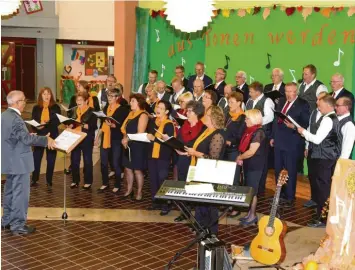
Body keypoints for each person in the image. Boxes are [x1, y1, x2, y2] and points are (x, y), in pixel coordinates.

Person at [2, 90, 56, 235]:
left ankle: (6, 220)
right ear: (16, 102)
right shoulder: (16, 119)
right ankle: (18, 224)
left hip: (9, 160)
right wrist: (46, 139)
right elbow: (25, 140)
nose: (25, 103)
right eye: (23, 100)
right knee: (20, 193)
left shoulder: (4, 116)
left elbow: (14, 136)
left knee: (10, 192)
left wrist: (28, 135)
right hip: (19, 162)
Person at [179, 106, 226, 235]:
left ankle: (211, 231)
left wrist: (196, 153)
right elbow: (197, 146)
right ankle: (200, 227)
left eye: (207, 114)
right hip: (200, 170)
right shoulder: (206, 131)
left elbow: (213, 159)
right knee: (200, 202)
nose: (204, 116)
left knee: (209, 205)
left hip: (210, 173)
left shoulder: (217, 135)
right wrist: (189, 152)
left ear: (213, 118)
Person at [298, 95, 341, 228]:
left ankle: (323, 219)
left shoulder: (328, 120)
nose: (318, 107)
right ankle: (322, 216)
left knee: (323, 189)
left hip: (324, 159)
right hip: (326, 158)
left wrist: (303, 131)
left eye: (320, 105)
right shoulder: (332, 118)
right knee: (323, 188)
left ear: (328, 106)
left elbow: (317, 140)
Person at [271, 82, 310, 207]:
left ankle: (289, 196)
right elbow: (275, 120)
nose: (288, 94)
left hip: (292, 142)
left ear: (296, 91)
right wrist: (272, 136)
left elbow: (305, 123)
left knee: (290, 170)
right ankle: (280, 194)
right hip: (279, 140)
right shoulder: (281, 101)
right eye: (286, 91)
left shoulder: (303, 104)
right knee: (277, 169)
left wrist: (293, 126)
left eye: (291, 91)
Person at [174, 101, 205, 222]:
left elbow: (202, 146)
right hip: (182, 159)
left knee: (194, 185)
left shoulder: (203, 128)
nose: (186, 112)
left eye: (189, 111)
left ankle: (197, 214)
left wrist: (189, 152)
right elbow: (178, 140)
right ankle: (185, 212)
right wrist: (177, 148)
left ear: (196, 113)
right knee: (183, 184)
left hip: (195, 160)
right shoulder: (184, 126)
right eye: (187, 110)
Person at [236, 109, 267, 227]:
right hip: (249, 163)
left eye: (247, 118)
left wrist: (240, 157)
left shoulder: (259, 132)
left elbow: (251, 151)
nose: (245, 120)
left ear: (253, 119)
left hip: (256, 165)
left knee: (253, 191)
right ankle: (250, 213)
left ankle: (253, 216)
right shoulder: (250, 130)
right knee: (250, 189)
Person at [95, 88, 129, 193]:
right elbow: (102, 124)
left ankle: (118, 184)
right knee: (104, 163)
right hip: (105, 137)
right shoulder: (106, 108)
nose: (109, 98)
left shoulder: (122, 109)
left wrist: (113, 125)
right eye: (108, 96)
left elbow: (122, 126)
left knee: (115, 163)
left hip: (116, 139)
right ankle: (105, 183)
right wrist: (97, 137)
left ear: (117, 97)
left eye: (112, 96)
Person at [245, 82, 275, 194]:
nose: (249, 93)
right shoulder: (249, 101)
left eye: (251, 92)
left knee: (261, 162)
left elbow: (270, 117)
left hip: (262, 135)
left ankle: (260, 188)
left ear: (258, 92)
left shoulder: (267, 101)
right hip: (250, 134)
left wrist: (256, 121)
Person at [146, 100, 175, 215]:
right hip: (151, 154)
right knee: (153, 179)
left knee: (162, 180)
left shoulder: (169, 124)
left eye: (161, 108)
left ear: (167, 111)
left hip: (163, 156)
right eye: (157, 106)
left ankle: (166, 204)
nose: (158, 109)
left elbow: (169, 142)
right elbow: (149, 135)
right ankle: (156, 201)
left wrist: (155, 139)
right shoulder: (153, 121)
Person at [30, 87, 61, 188]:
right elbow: (33, 123)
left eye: (48, 94)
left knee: (51, 159)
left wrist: (46, 123)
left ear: (51, 95)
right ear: (41, 96)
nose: (46, 96)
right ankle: (34, 179)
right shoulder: (36, 108)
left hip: (52, 136)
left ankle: (49, 180)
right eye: (44, 94)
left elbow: (57, 121)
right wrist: (39, 125)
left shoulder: (56, 107)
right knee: (36, 158)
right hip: (39, 136)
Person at [121, 94, 149, 201]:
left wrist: (127, 139)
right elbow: (125, 129)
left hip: (138, 145)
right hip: (128, 144)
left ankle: (139, 192)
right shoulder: (131, 114)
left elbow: (140, 132)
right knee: (128, 168)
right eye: (130, 101)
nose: (130, 103)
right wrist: (124, 138)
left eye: (133, 101)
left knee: (137, 170)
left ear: (139, 103)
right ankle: (129, 190)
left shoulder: (143, 115)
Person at [303, 92, 328, 209]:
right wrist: (307, 146)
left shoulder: (328, 116)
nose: (317, 101)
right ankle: (314, 198)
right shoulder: (314, 112)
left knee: (321, 178)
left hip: (322, 152)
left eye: (320, 99)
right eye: (317, 99)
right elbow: (309, 128)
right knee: (312, 175)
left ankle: (321, 202)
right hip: (312, 148)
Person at [69, 92, 97, 190]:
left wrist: (83, 125)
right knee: (74, 160)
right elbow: (71, 122)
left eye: (81, 100)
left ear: (86, 101)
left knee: (87, 160)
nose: (78, 102)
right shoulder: (73, 110)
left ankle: (88, 181)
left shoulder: (92, 111)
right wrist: (70, 125)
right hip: (75, 138)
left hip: (86, 138)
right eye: (77, 100)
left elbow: (94, 126)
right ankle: (75, 180)